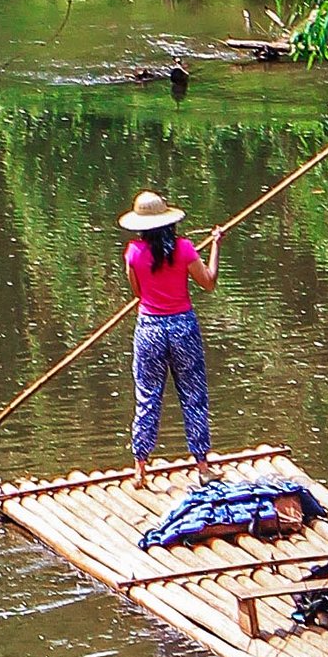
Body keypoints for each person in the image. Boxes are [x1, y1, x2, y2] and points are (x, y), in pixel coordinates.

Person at [119, 188, 223, 474]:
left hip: (150, 328)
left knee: (147, 395)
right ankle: (202, 466)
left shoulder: (133, 253)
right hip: (182, 327)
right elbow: (209, 282)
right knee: (193, 394)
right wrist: (215, 245)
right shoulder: (185, 249)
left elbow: (139, 293)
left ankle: (140, 467)